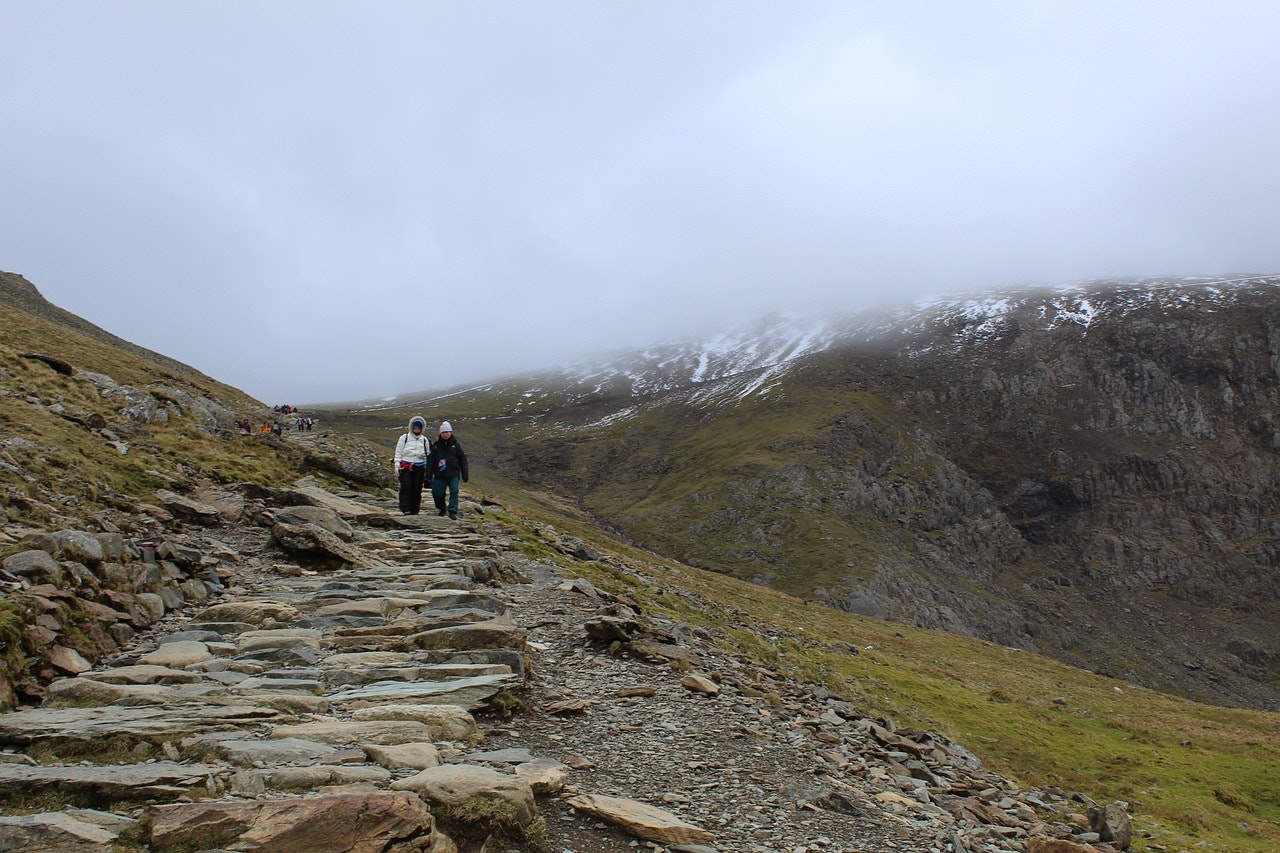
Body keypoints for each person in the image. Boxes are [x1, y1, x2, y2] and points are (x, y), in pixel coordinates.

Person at [427, 421, 468, 519]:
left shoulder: (456, 446)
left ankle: (452, 511)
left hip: (453, 474)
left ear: (451, 432)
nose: (445, 434)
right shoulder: (436, 446)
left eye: (447, 432)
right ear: (440, 434)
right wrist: (428, 474)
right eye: (443, 432)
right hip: (439, 475)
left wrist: (465, 474)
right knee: (437, 493)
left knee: (454, 491)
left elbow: (463, 460)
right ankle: (442, 508)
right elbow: (431, 461)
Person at [393, 416, 431, 515]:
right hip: (405, 465)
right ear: (412, 427)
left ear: (422, 428)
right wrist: (397, 464)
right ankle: (405, 508)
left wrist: (428, 468)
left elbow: (427, 455)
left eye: (418, 427)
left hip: (420, 466)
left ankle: (415, 509)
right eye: (415, 427)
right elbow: (398, 451)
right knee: (406, 486)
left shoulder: (424, 440)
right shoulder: (404, 438)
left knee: (417, 488)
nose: (416, 429)